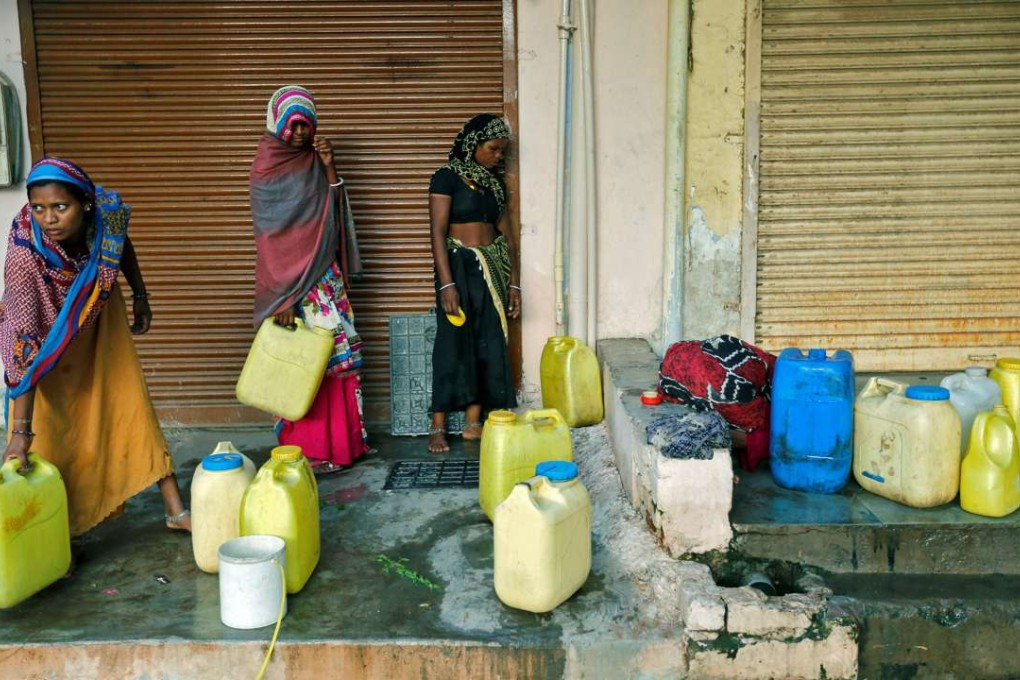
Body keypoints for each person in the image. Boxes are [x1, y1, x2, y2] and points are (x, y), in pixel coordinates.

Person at [0, 158, 191, 536]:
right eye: (38, 208)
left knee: (129, 402)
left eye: (60, 207)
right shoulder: (24, 256)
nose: (48, 219)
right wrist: (21, 433)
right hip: (46, 340)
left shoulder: (105, 212)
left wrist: (139, 293)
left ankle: (175, 510)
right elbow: (22, 347)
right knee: (54, 430)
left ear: (85, 205)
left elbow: (121, 245)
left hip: (98, 316)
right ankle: (54, 533)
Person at [250, 85, 367, 475]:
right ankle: (307, 449)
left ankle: (342, 446)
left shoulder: (315, 159)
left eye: (307, 125)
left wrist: (330, 164)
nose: (301, 133)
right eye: (294, 125)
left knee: (334, 361)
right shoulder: (267, 166)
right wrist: (281, 298)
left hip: (325, 278)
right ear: (279, 124)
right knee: (300, 366)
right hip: (291, 289)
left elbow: (334, 209)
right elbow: (269, 237)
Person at [427, 113, 521, 453]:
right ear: (473, 144)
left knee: (487, 342)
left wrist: (515, 283)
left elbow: (508, 239)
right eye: (494, 149)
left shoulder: (493, 186)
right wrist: (446, 284)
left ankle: (473, 423)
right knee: (452, 344)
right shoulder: (446, 178)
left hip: (492, 270)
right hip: (458, 269)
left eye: (502, 152)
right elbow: (437, 233)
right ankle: (437, 426)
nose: (498, 157)